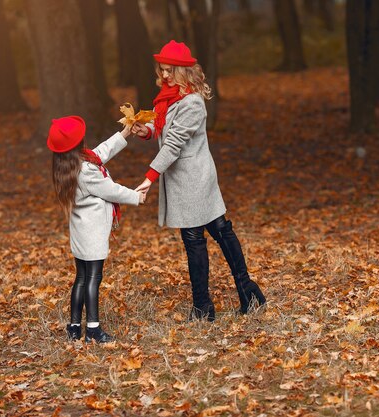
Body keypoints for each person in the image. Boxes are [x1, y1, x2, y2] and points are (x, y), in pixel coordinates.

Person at [132, 40, 266, 321]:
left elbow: (173, 144)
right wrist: (144, 131)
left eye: (170, 70)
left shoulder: (191, 102)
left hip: (193, 177)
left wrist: (149, 176)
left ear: (183, 71)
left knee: (200, 237)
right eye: (162, 69)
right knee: (218, 228)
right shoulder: (169, 97)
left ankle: (208, 305)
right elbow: (163, 131)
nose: (165, 75)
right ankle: (246, 293)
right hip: (184, 177)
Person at [47, 116, 145, 342]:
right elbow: (110, 190)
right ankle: (92, 328)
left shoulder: (69, 165)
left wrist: (124, 134)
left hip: (81, 232)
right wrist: (136, 197)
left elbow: (100, 152)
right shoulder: (86, 171)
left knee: (81, 277)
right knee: (94, 277)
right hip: (92, 234)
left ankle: (73, 327)